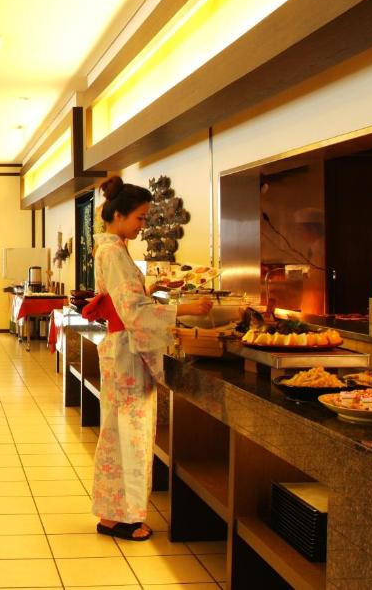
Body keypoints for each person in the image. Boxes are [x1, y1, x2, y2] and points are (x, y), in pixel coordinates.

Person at [91, 177, 211, 541]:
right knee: (130, 433)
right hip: (127, 349)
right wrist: (185, 308)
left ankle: (114, 513)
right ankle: (124, 517)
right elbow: (133, 311)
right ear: (120, 214)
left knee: (120, 432)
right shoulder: (112, 251)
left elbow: (127, 299)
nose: (143, 226)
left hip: (123, 348)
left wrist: (151, 289)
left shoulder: (113, 248)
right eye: (141, 218)